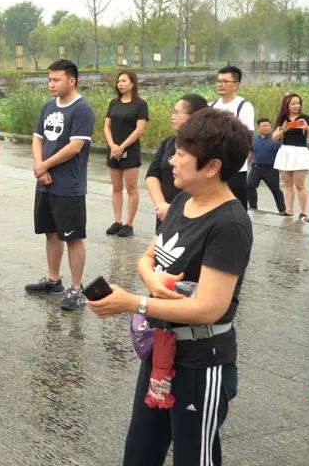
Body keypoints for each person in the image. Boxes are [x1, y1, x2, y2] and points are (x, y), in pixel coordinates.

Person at [88, 107, 253, 466]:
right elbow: (147, 258)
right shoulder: (182, 201)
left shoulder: (229, 224)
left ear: (212, 167)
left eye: (180, 155)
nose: (171, 162)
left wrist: (135, 303)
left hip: (201, 361)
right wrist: (154, 283)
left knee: (194, 457)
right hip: (161, 351)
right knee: (140, 452)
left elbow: (208, 308)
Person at [24, 59, 96, 311]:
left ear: (72, 80)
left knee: (73, 237)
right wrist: (39, 165)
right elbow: (37, 138)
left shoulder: (82, 109)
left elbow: (75, 147)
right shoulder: (48, 106)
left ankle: (76, 288)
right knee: (51, 232)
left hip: (68, 185)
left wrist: (45, 165)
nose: (51, 84)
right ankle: (53, 279)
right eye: (49, 80)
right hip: (45, 183)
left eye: (56, 80)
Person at [146, 94, 207, 232]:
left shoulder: (204, 147)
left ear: (193, 116)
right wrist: (161, 205)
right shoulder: (169, 142)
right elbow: (152, 175)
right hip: (163, 214)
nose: (172, 116)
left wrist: (174, 209)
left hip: (191, 216)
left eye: (177, 112)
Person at [104, 70, 149, 238]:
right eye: (118, 81)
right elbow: (107, 125)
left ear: (132, 83)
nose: (120, 84)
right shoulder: (114, 103)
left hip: (130, 151)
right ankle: (117, 221)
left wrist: (122, 146)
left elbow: (140, 129)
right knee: (116, 187)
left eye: (123, 81)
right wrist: (112, 145)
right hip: (113, 150)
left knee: (131, 188)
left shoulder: (140, 104)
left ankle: (128, 224)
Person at [209, 66, 254, 208]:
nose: (220, 84)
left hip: (235, 168)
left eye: (225, 81)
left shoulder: (244, 106)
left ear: (236, 85)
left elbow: (247, 138)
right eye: (218, 81)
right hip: (214, 167)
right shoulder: (211, 106)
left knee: (236, 208)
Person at [273, 93, 309, 222]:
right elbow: (274, 138)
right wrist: (283, 130)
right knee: (287, 183)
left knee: (300, 184)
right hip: (285, 151)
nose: (296, 106)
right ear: (287, 105)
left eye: (298, 103)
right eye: (293, 104)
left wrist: (306, 127)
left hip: (300, 151)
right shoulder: (282, 118)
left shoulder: (305, 118)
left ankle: (303, 212)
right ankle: (289, 210)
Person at [247, 119, 288, 214]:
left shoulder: (275, 138)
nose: (266, 128)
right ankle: (253, 207)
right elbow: (251, 152)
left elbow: (283, 152)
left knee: (276, 190)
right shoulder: (254, 139)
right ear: (258, 127)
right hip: (256, 168)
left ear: (271, 127)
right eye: (263, 126)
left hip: (271, 169)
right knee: (249, 185)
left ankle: (283, 210)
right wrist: (246, 163)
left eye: (268, 126)